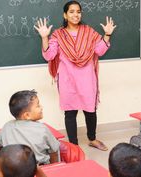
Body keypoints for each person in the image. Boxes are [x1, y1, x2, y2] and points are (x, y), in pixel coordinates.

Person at [34, 0, 116, 151]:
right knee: (70, 112)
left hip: (87, 78)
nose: (75, 15)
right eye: (71, 12)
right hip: (67, 80)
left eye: (78, 11)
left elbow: (99, 51)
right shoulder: (58, 35)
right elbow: (49, 55)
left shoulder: (88, 31)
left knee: (90, 110)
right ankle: (74, 145)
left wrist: (107, 34)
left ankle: (92, 138)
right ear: (65, 15)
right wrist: (44, 37)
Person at [0, 90, 60, 165]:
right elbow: (54, 151)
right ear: (27, 115)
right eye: (38, 106)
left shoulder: (7, 127)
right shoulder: (43, 129)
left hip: (15, 170)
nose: (41, 107)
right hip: (40, 169)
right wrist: (54, 166)